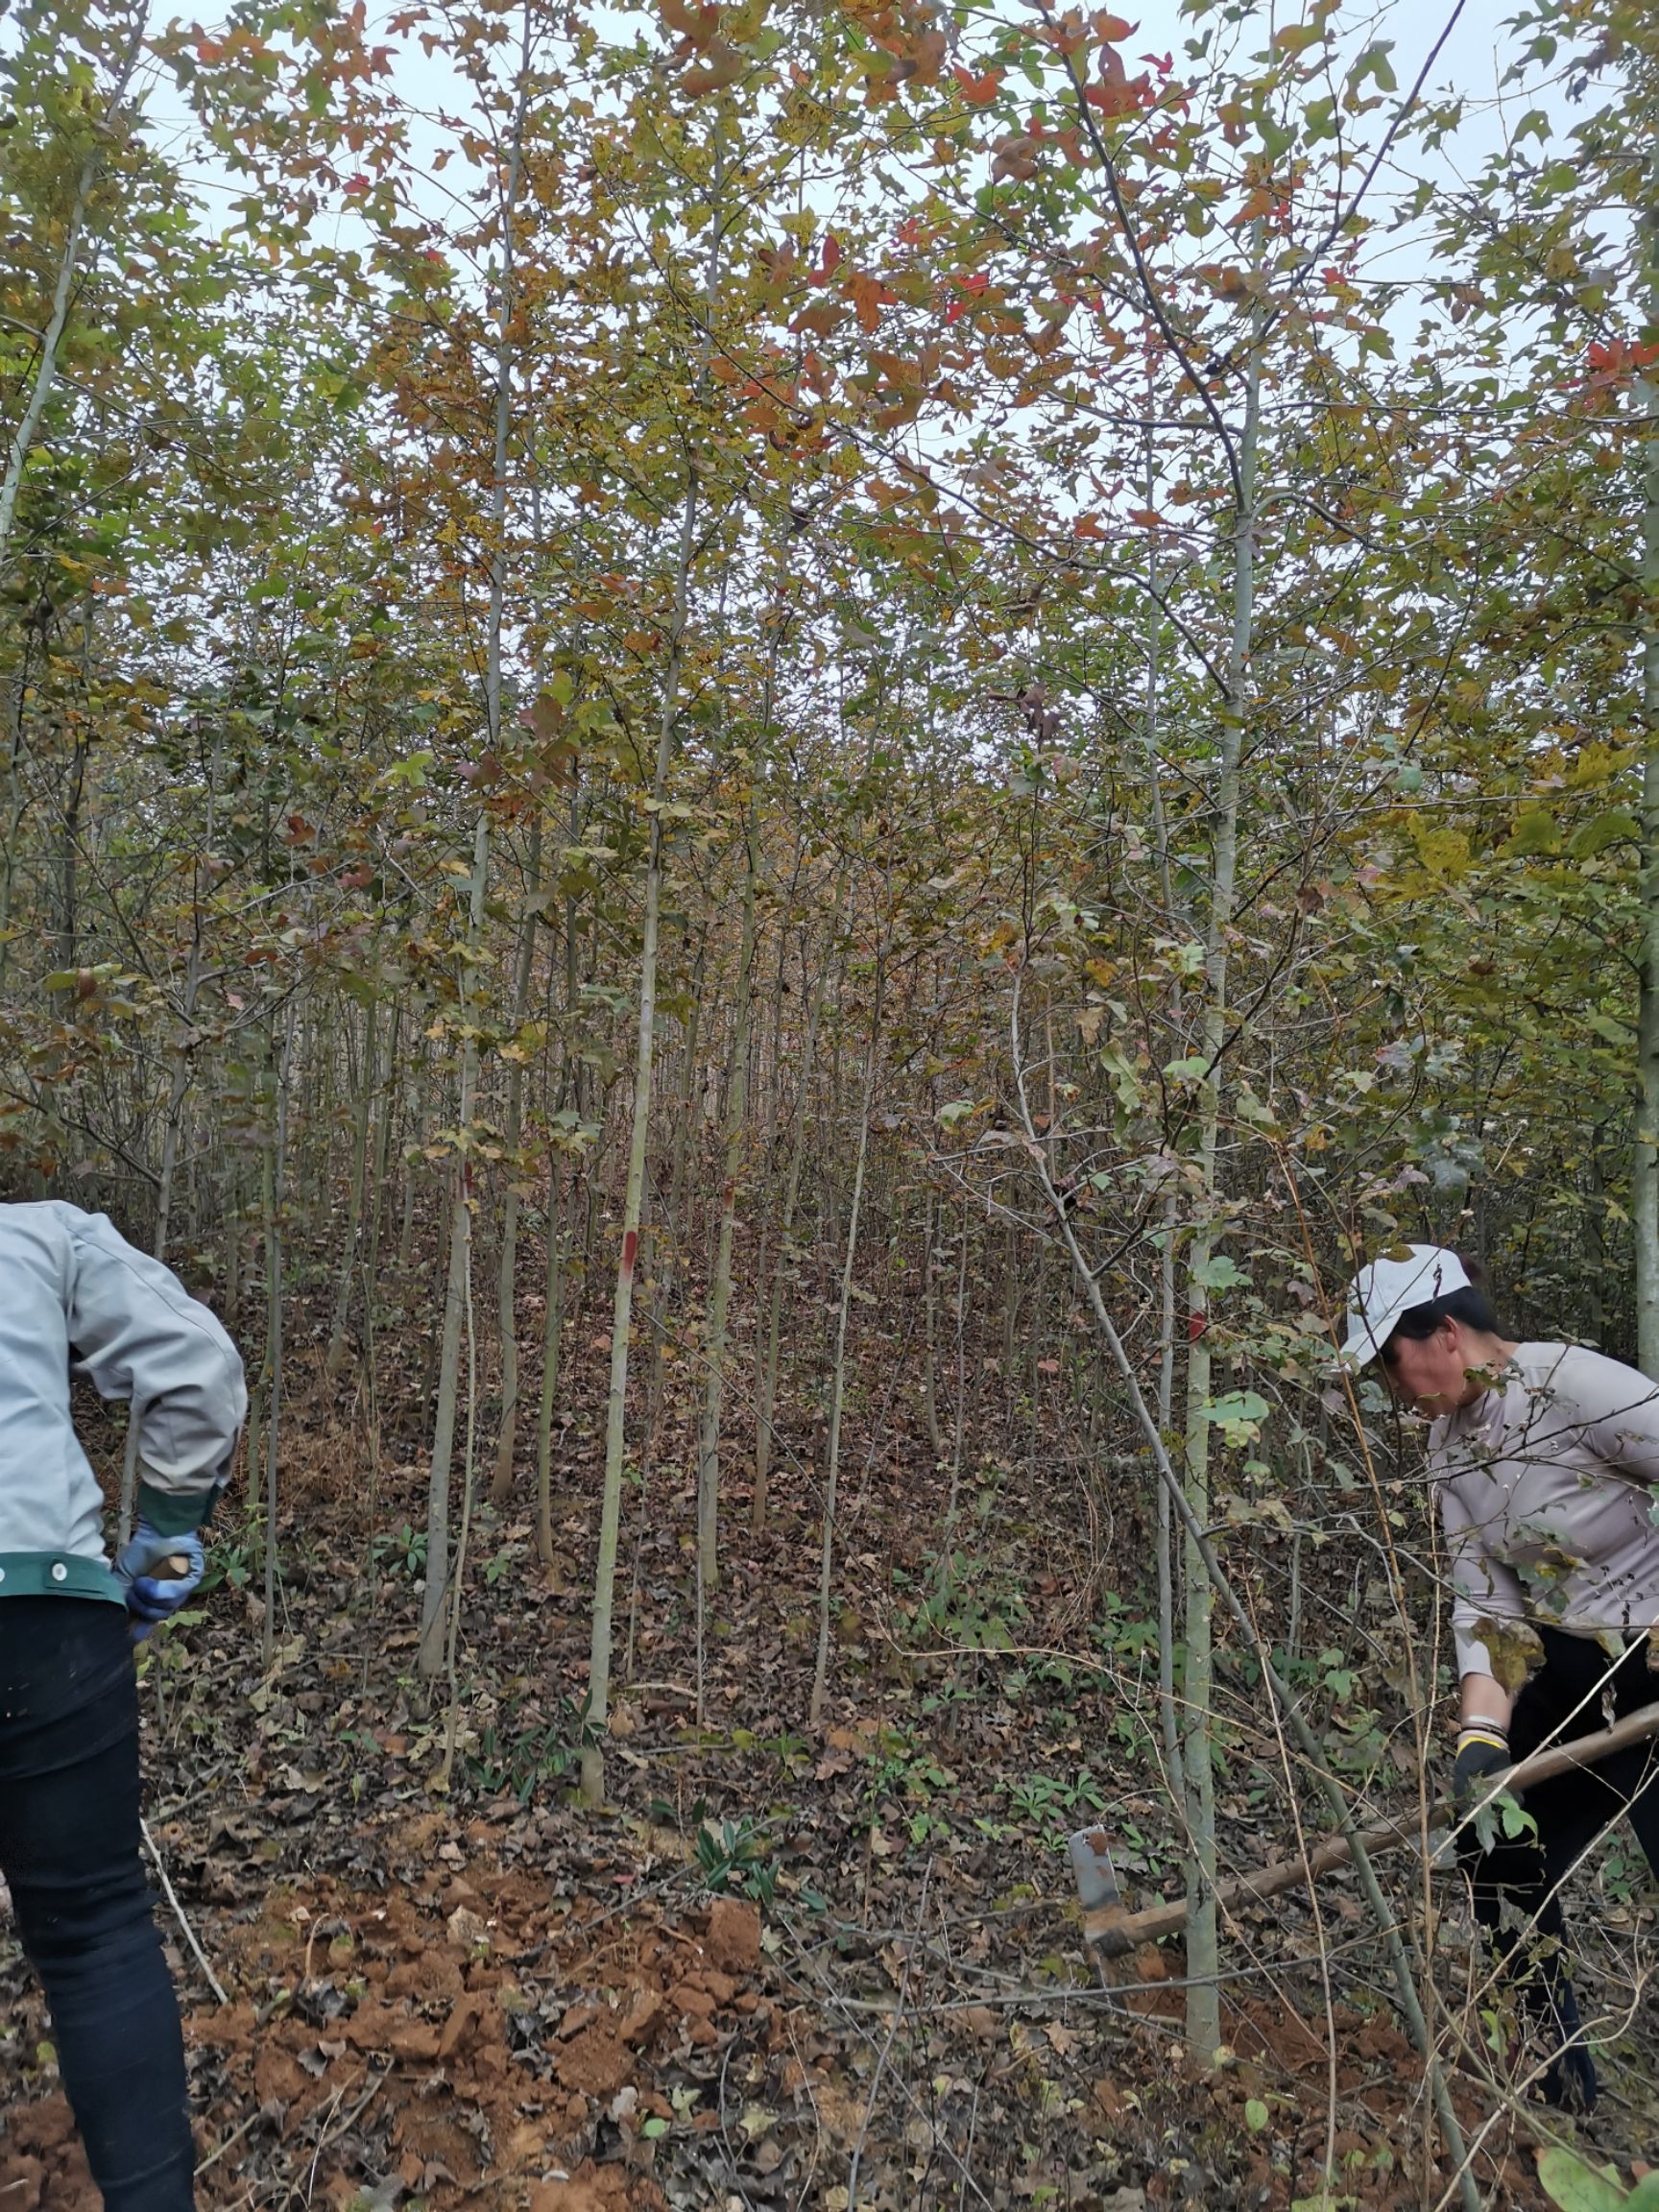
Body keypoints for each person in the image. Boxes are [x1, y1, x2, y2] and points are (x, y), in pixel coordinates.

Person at [1342, 1242, 1659, 2112]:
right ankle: (1563, 2082)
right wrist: (1480, 1737)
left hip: (1653, 1661)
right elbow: (1486, 1607)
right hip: (1567, 1669)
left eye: (1391, 1362)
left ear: (1445, 1333)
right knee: (1497, 1845)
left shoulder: (1574, 1387)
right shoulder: (1450, 1451)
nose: (1392, 1388)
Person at [0, 1200, 246, 2209]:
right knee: (95, 1931)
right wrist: (160, 1554)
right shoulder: (36, 1236)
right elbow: (199, 1372)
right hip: (43, 1613)